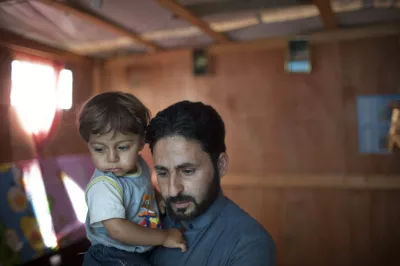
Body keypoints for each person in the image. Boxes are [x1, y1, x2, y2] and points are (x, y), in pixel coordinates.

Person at [146, 101, 276, 266]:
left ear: (220, 165)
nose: (172, 190)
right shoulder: (144, 217)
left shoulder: (248, 244)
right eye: (163, 173)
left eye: (187, 171)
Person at [78, 92, 187, 266]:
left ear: (141, 142)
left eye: (122, 147)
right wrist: (164, 237)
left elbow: (142, 186)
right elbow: (118, 230)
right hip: (111, 255)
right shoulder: (104, 187)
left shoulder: (139, 165)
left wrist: (156, 196)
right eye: (99, 149)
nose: (111, 157)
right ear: (89, 144)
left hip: (137, 249)